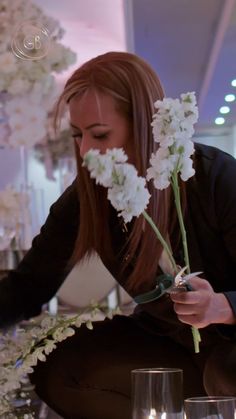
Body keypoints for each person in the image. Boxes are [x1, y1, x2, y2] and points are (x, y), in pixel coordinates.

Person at [0, 51, 236, 419]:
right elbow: (28, 286)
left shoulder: (213, 177)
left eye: (99, 134)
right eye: (78, 136)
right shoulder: (87, 198)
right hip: (170, 354)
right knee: (56, 357)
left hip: (231, 357)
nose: (85, 151)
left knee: (226, 369)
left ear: (143, 124)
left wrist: (224, 307)